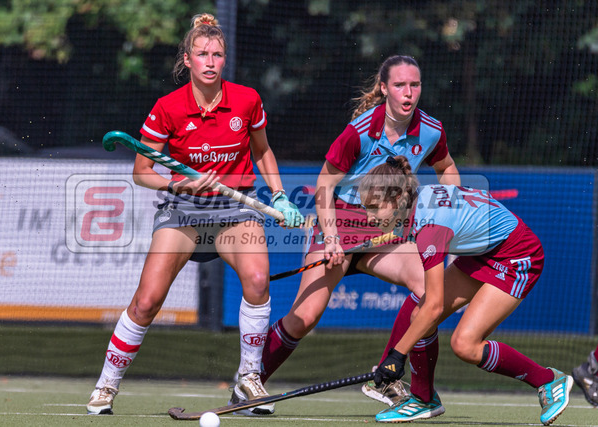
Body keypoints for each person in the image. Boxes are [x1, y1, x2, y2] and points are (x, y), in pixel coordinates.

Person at [86, 13, 303, 416]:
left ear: (225, 59)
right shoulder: (168, 108)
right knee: (147, 301)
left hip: (235, 207)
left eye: (216, 55)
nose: (209, 62)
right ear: (187, 59)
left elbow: (262, 151)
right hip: (183, 211)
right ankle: (106, 385)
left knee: (258, 281)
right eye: (201, 54)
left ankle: (249, 379)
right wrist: (178, 186)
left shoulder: (247, 100)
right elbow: (142, 172)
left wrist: (280, 196)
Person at [259, 55, 460, 409]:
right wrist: (331, 238)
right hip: (340, 222)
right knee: (304, 318)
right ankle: (250, 380)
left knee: (430, 290)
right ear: (384, 88)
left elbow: (448, 169)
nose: (408, 93)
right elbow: (324, 184)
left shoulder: (431, 130)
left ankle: (395, 380)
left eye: (414, 85)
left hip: (385, 230)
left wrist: (447, 209)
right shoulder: (360, 131)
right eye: (399, 85)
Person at [360, 156, 573, 425]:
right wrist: (396, 355)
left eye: (374, 208)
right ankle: (423, 399)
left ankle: (548, 380)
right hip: (483, 252)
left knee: (465, 344)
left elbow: (434, 306)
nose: (369, 217)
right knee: (418, 318)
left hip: (517, 255)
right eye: (366, 208)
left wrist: (397, 355)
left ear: (398, 198)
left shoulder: (430, 228)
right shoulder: (418, 200)